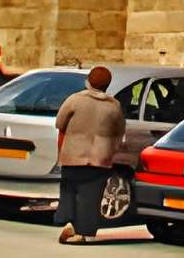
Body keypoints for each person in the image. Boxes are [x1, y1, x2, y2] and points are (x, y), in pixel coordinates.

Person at [53, 65, 124, 245]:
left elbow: (60, 125)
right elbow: (119, 133)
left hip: (73, 155)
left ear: (88, 81)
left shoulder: (74, 100)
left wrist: (60, 153)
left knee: (69, 190)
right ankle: (84, 232)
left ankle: (68, 220)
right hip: (100, 159)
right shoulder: (114, 106)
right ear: (108, 84)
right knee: (91, 196)